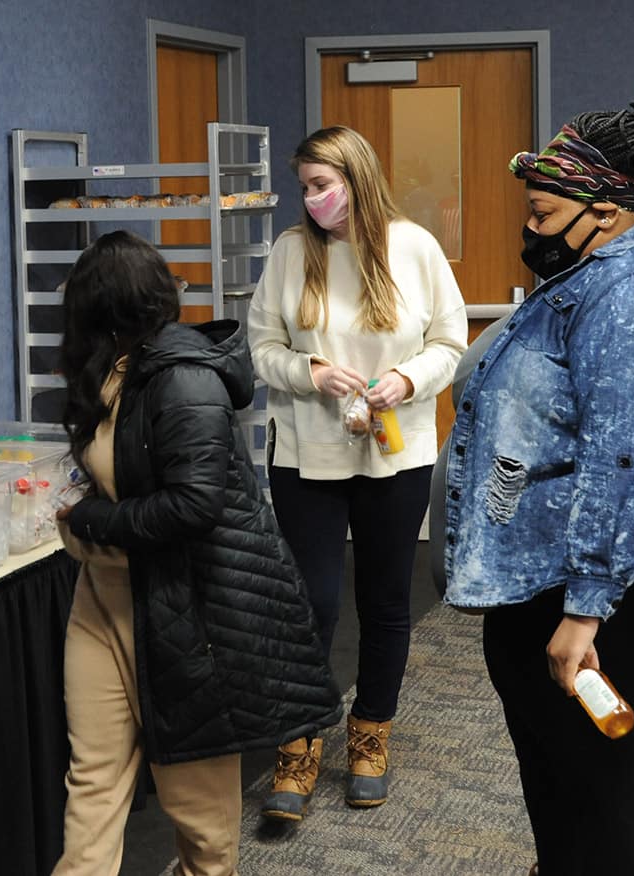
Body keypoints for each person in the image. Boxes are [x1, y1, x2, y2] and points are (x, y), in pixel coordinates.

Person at [443, 82, 634, 876]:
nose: (529, 229)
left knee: (602, 795)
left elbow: (623, 461)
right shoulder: (605, 269)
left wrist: (585, 613)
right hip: (575, 567)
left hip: (619, 584)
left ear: (605, 209)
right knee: (563, 780)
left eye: (541, 214)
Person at [51, 229, 341, 875]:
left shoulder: (184, 380)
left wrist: (91, 515)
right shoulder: (111, 374)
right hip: (102, 602)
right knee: (93, 783)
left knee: (202, 825)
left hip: (189, 611)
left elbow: (193, 506)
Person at [247, 126, 468, 817]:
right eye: (305, 187)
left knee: (384, 602)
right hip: (308, 453)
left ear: (357, 177)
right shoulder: (290, 252)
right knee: (311, 602)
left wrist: (405, 381)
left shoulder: (414, 247)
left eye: (321, 185)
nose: (310, 199)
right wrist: (308, 370)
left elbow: (449, 342)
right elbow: (261, 348)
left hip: (394, 450)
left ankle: (370, 733)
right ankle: (299, 743)